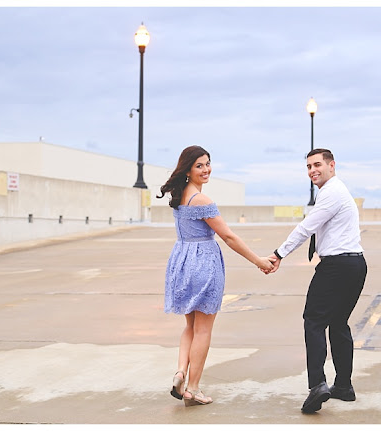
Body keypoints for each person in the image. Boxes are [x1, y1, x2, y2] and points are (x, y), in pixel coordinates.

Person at [157, 145, 275, 407]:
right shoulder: (203, 201)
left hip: (182, 261)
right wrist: (258, 260)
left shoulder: (179, 196)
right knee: (203, 330)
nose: (206, 169)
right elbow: (229, 236)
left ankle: (180, 372)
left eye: (208, 163)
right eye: (199, 165)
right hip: (203, 264)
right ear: (188, 169)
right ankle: (193, 388)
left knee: (190, 326)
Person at [267, 148, 367, 414]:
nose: (313, 170)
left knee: (313, 321)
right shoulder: (335, 191)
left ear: (332, 165)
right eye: (309, 167)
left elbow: (306, 227)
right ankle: (343, 386)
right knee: (337, 323)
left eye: (318, 165)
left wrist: (279, 254)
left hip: (337, 266)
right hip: (355, 264)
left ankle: (317, 385)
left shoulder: (332, 192)